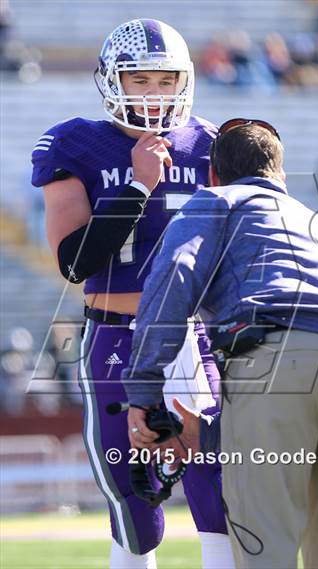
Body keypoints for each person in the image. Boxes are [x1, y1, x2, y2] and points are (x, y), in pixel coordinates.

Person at [122, 118, 318, 568]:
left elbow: (173, 280)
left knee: (265, 541)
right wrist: (206, 432)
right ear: (280, 177)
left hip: (275, 351)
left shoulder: (215, 200)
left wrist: (144, 391)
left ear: (212, 175)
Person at [31, 18, 234, 569]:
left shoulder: (211, 144)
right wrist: (141, 185)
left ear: (184, 82)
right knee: (135, 491)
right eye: (140, 80)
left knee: (218, 484)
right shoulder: (77, 144)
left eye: (165, 81)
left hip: (192, 336)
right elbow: (75, 262)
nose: (153, 94)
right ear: (111, 81)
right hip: (117, 333)